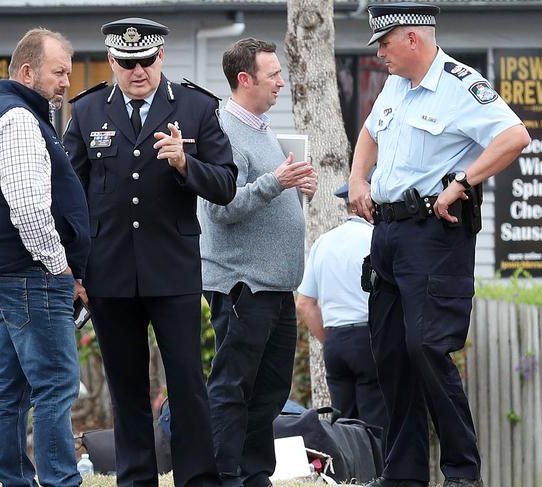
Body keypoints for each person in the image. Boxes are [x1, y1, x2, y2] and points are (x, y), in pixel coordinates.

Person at [349, 4, 530, 487]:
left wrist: (461, 181)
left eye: (384, 44)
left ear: (412, 38)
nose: (379, 53)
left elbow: (515, 136)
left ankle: (462, 473)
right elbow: (369, 132)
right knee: (390, 353)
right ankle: (403, 475)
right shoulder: (396, 83)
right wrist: (356, 178)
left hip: (433, 233)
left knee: (426, 347)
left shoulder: (459, 84)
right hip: (386, 234)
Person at [63, 17, 237, 487]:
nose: (136, 71)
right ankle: (137, 477)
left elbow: (226, 184)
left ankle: (198, 477)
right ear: (111, 61)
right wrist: (74, 269)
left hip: (173, 269)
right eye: (126, 62)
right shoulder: (87, 111)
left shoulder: (197, 108)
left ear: (160, 57)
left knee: (186, 382)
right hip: (110, 272)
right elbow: (69, 197)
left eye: (145, 61)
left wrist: (186, 163)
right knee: (126, 388)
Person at [0, 28, 90, 487]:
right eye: (59, 72)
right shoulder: (18, 119)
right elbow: (28, 206)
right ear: (27, 71)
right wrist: (60, 267)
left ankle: (15, 480)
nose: (66, 82)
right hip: (32, 274)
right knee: (55, 385)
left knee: (13, 389)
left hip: (14, 274)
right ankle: (61, 481)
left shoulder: (5, 113)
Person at [199, 37, 317, 487]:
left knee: (270, 391)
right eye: (274, 75)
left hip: (276, 285)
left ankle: (254, 475)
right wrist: (276, 182)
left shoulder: (263, 128)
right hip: (242, 284)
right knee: (234, 386)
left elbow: (266, 198)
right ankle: (225, 475)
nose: (282, 83)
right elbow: (220, 208)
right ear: (244, 80)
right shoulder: (223, 132)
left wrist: (298, 189)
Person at [296, 179, 387, 439]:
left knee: (344, 427)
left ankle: (350, 477)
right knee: (377, 425)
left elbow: (304, 303)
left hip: (335, 341)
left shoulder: (322, 243)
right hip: (370, 339)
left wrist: (331, 339)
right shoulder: (377, 240)